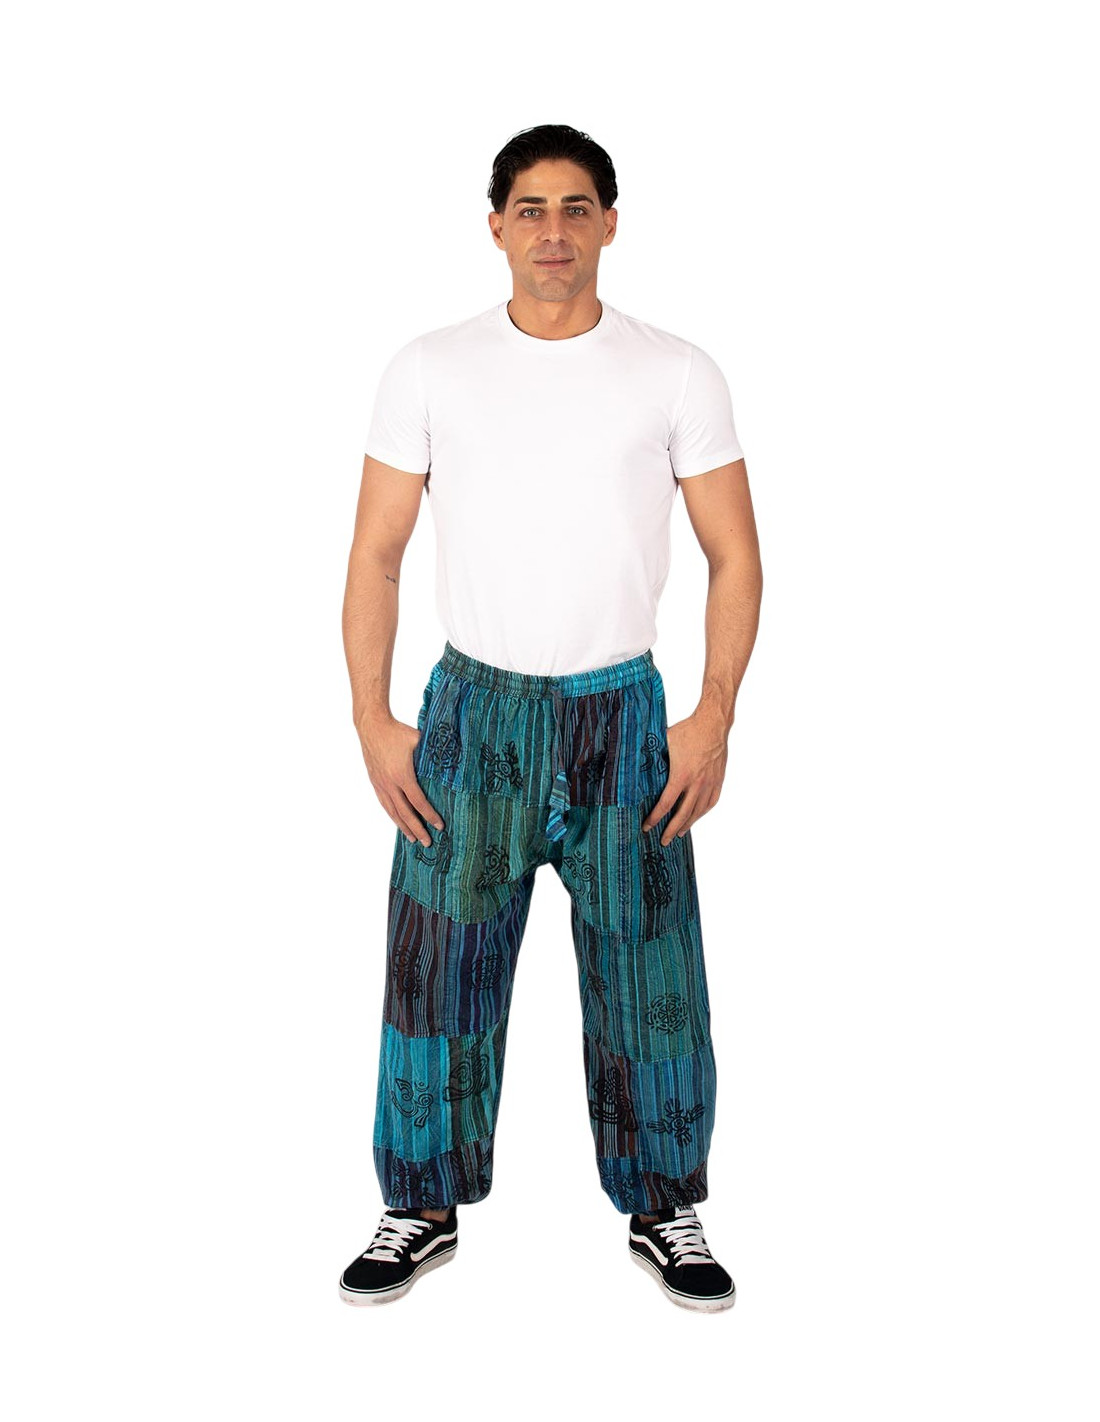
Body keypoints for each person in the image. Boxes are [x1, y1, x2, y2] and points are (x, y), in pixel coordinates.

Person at [338, 123, 762, 1312]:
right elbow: (374, 555)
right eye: (530, 209)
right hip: (471, 714)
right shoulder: (429, 368)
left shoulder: (675, 373)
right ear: (495, 227)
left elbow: (735, 555)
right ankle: (419, 1205)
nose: (554, 232)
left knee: (648, 969)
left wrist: (711, 715)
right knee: (436, 973)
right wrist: (371, 718)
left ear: (610, 224)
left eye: (577, 208)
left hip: (622, 717)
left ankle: (663, 1205)